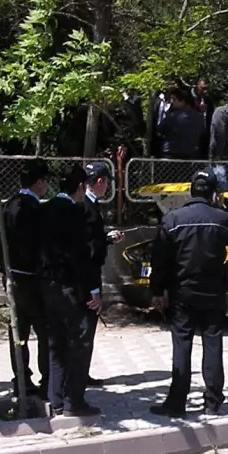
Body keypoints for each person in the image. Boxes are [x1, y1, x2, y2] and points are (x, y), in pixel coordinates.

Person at [148, 171, 228, 418]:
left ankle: (176, 403)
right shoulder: (222, 219)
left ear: (191, 191)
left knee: (182, 345)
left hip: (182, 293)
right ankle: (213, 402)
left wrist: (156, 290)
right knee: (212, 343)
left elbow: (159, 258)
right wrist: (221, 207)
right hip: (213, 293)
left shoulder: (173, 219)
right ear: (213, 193)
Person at [37, 167, 102, 417]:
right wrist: (92, 291)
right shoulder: (74, 213)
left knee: (55, 343)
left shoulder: (44, 209)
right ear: (79, 188)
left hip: (47, 284)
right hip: (69, 286)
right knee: (77, 343)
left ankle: (55, 399)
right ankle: (74, 400)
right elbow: (80, 256)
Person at [0, 161, 50, 399]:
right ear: (39, 182)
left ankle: (21, 378)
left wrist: (5, 271)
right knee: (45, 331)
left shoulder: (8, 205)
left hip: (13, 277)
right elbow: (42, 247)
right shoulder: (35, 209)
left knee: (19, 333)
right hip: (34, 279)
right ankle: (48, 380)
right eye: (46, 181)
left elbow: (0, 245)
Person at [79, 162, 125, 388]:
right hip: (88, 277)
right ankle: (78, 376)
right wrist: (94, 290)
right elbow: (88, 249)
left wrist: (106, 238)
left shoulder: (85, 204)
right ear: (99, 182)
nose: (107, 187)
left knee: (84, 330)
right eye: (106, 182)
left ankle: (81, 373)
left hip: (84, 275)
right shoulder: (88, 207)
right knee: (85, 329)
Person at [157, 85, 205, 160]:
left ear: (183, 101)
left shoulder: (172, 116)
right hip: (190, 153)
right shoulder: (199, 116)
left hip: (170, 154)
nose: (171, 102)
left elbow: (160, 129)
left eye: (174, 99)